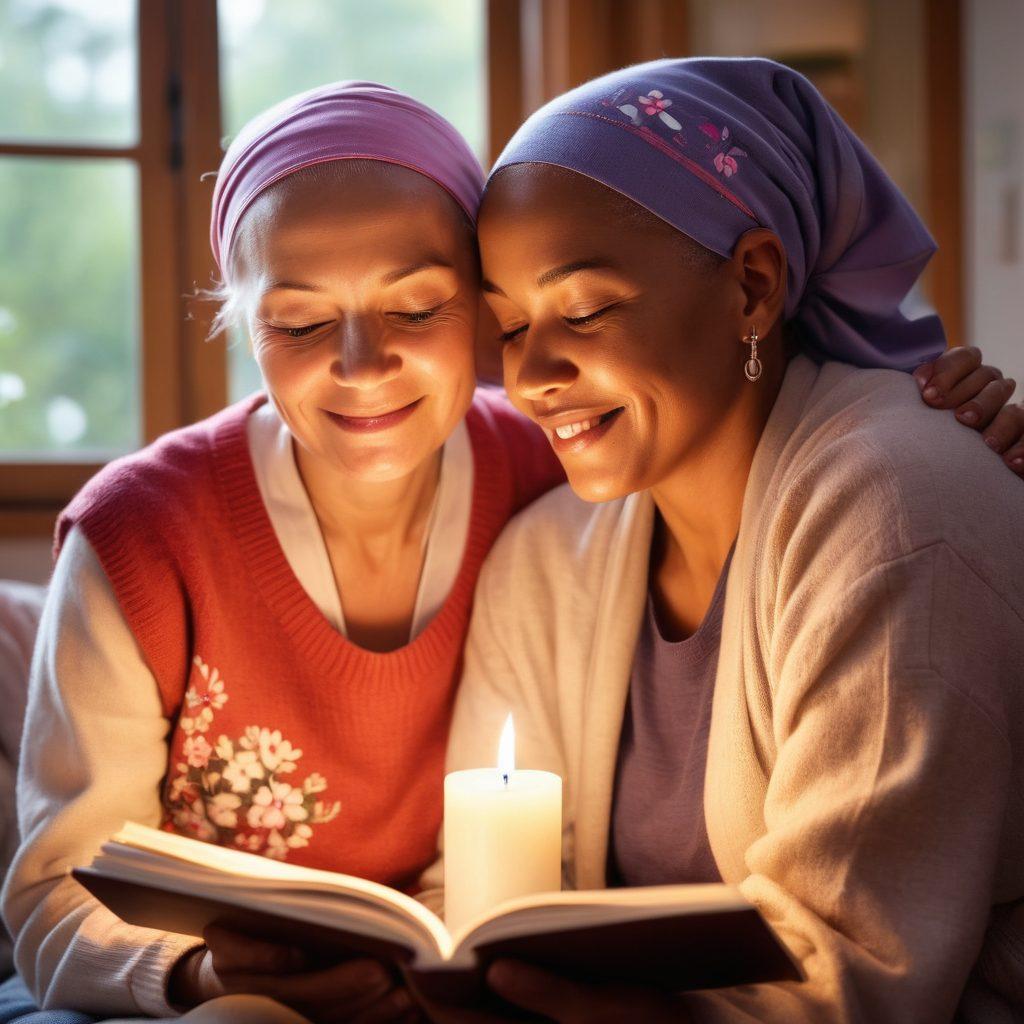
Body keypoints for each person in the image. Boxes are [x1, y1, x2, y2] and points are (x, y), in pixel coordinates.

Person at [0, 76, 1016, 1024]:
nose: (535, 378)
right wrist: (203, 970)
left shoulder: (563, 467)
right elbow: (55, 888)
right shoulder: (152, 531)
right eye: (299, 322)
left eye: (420, 308)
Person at [426, 58, 1024, 1023]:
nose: (531, 374)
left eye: (584, 309)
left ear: (752, 285)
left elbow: (856, 980)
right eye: (506, 326)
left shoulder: (897, 512)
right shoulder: (545, 559)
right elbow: (478, 900)